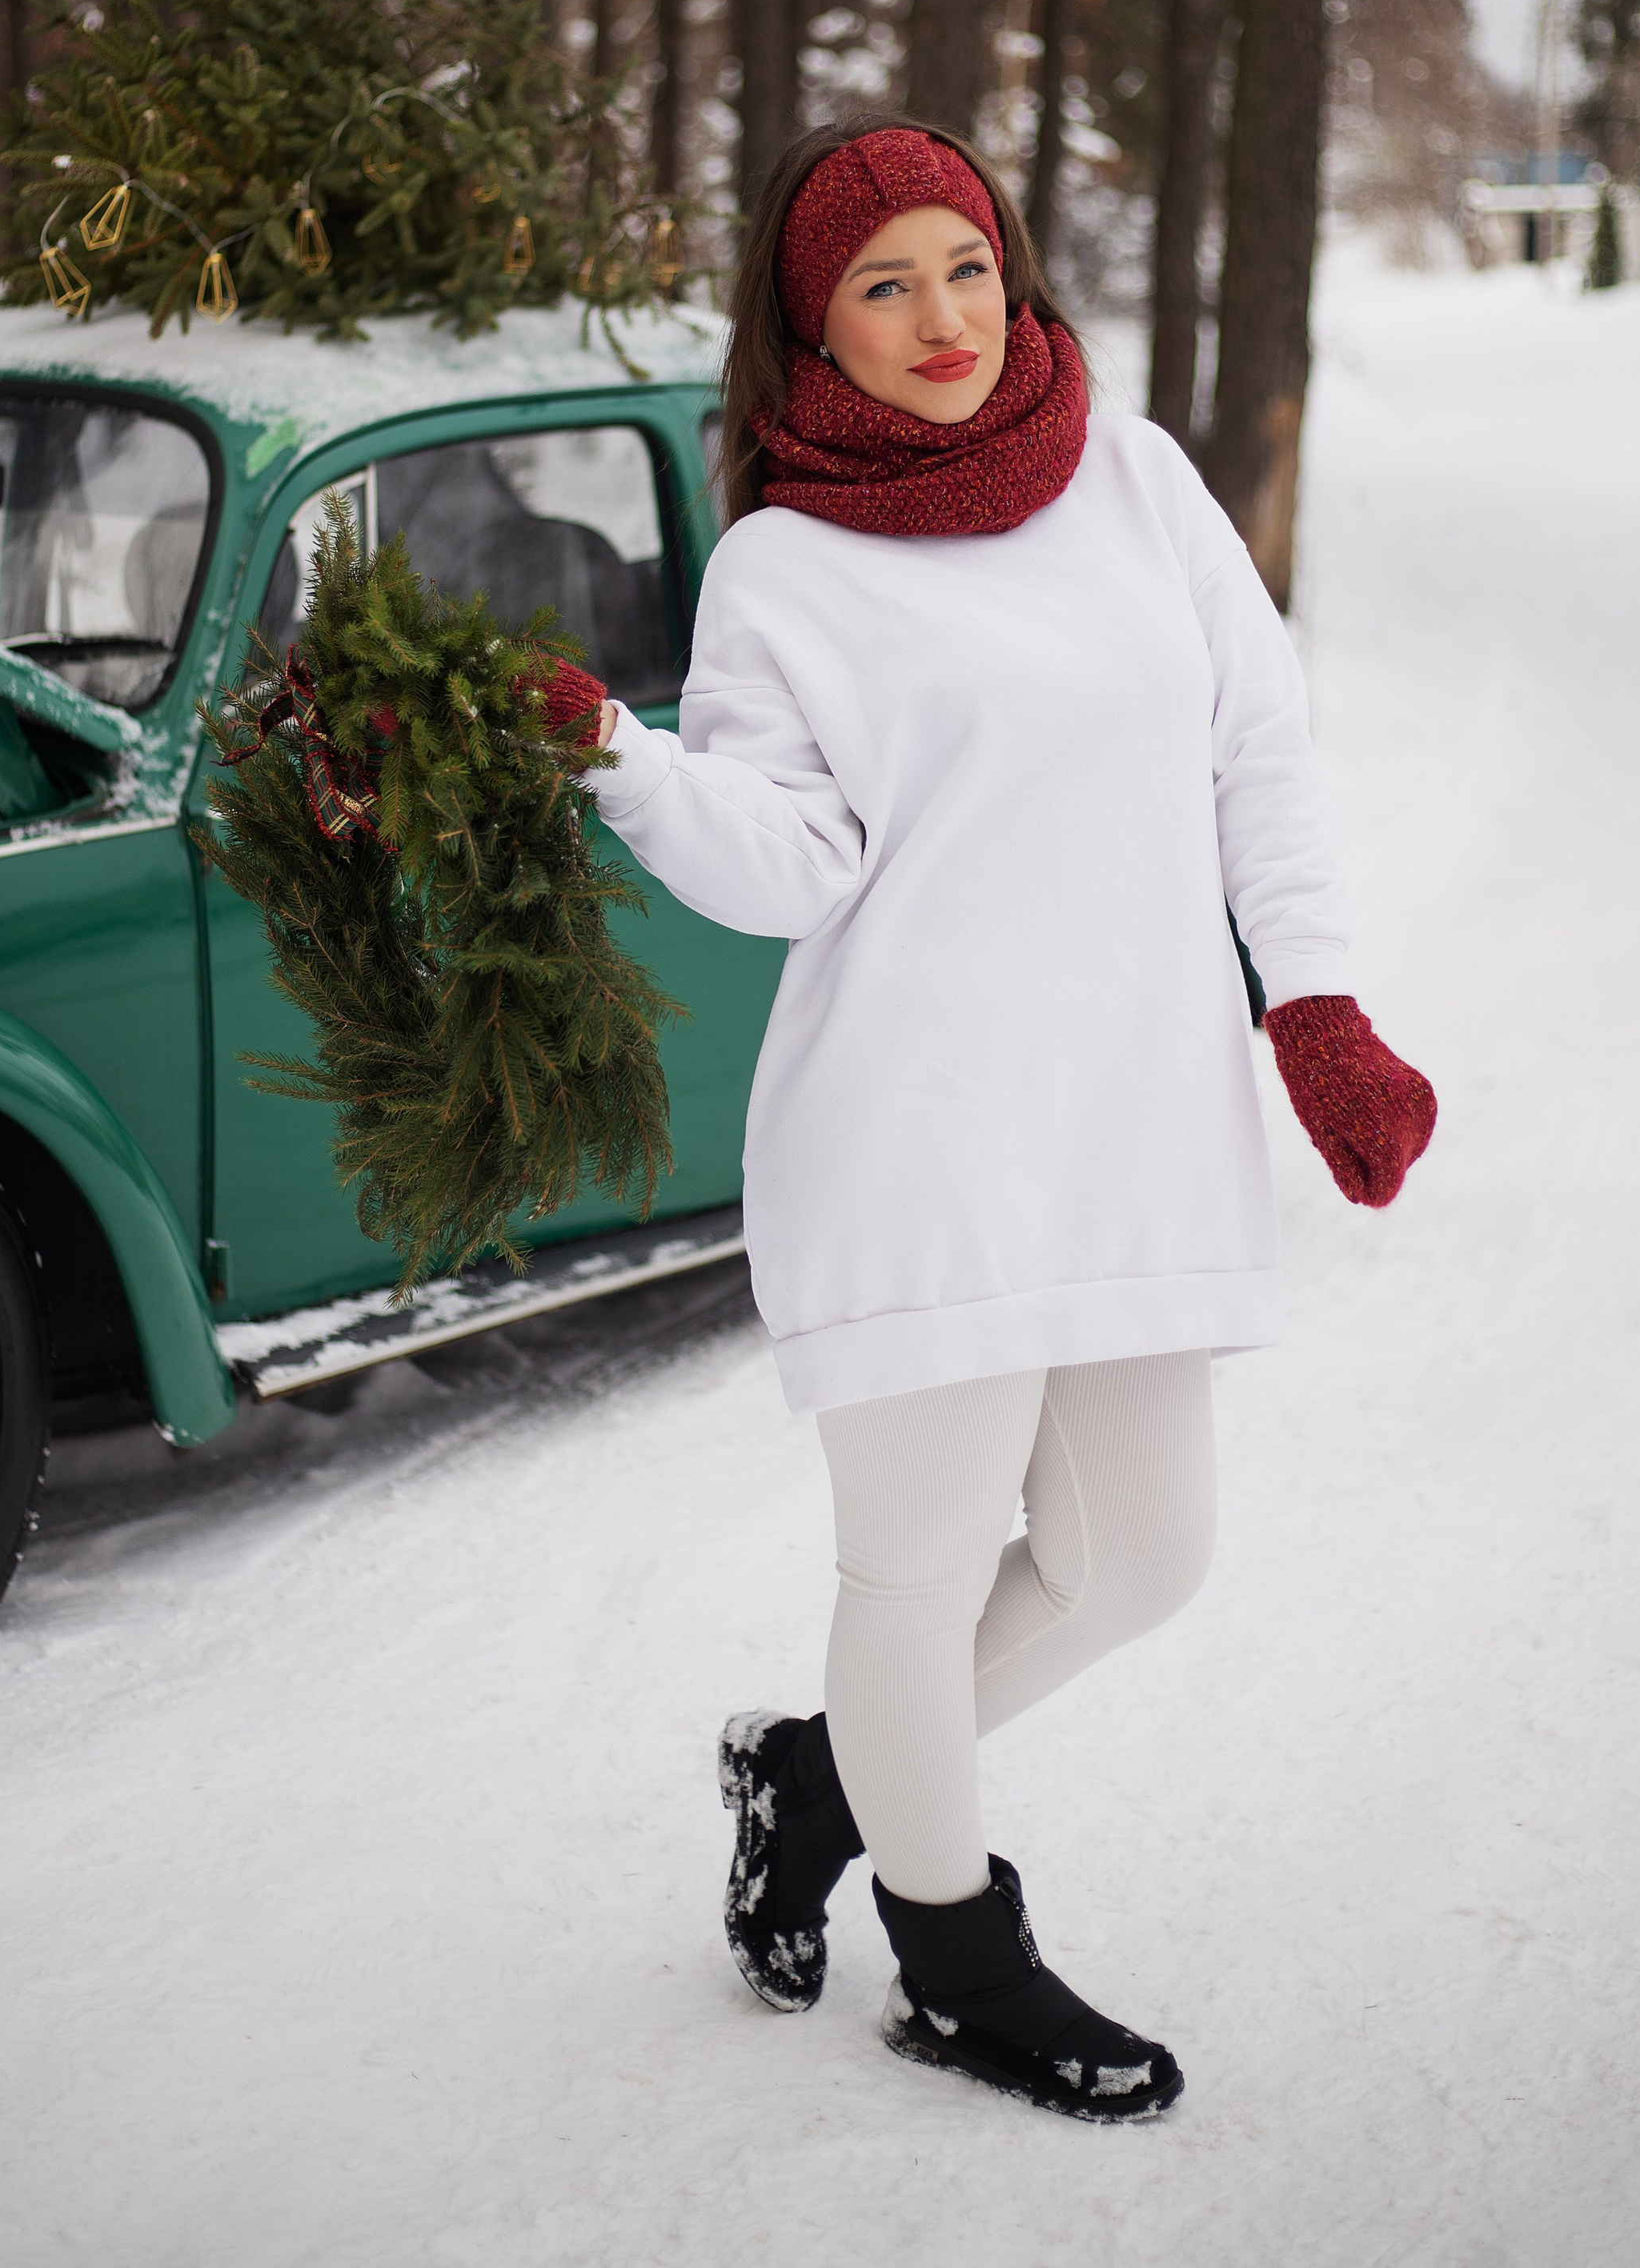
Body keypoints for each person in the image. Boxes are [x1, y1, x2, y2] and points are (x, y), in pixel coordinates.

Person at [534, 118, 1436, 2122]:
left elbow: (1254, 755)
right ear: (808, 334)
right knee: (920, 1575)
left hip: (1126, 1114)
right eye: (880, 285)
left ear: (1011, 269)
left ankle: (814, 1779)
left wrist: (1321, 1010)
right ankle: (952, 1964)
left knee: (1143, 1556)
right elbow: (789, 859)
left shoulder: (1133, 479)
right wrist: (617, 754)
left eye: (963, 265)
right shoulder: (786, 563)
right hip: (917, 1135)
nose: (938, 318)